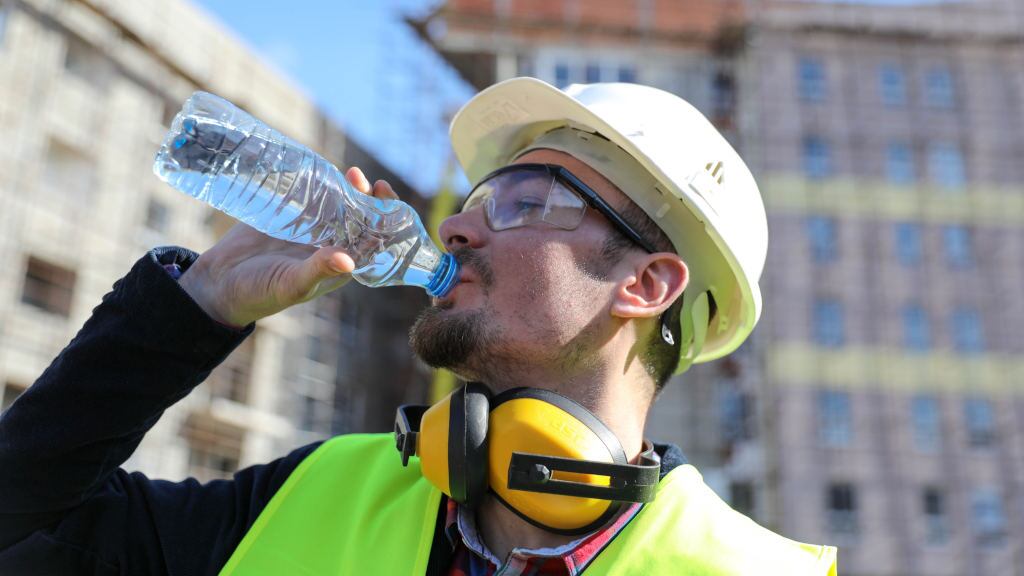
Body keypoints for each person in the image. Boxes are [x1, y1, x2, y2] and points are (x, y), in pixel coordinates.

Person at [0, 77, 838, 575]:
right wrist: (197, 304)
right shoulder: (313, 493)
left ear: (647, 282)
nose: (458, 228)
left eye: (525, 202)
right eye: (476, 200)